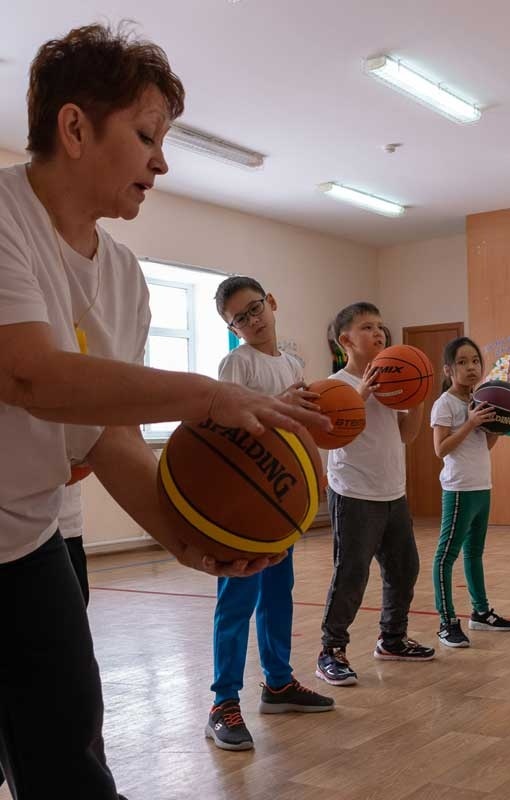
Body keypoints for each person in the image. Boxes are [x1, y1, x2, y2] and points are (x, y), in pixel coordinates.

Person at [0, 24, 327, 799]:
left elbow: (107, 437)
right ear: (74, 128)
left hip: (29, 540)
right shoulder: (3, 219)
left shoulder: (123, 278)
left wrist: (188, 541)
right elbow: (31, 377)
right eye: (146, 135)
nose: (161, 160)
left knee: (70, 765)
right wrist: (210, 394)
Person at [206, 276, 334, 752]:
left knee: (280, 594)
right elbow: (226, 430)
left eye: (256, 308)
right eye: (239, 318)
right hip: (242, 503)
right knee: (237, 601)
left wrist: (316, 474)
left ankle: (278, 684)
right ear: (231, 326)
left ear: (272, 303)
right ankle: (222, 702)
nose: (252, 321)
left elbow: (298, 429)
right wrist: (277, 405)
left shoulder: (294, 364)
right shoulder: (235, 364)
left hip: (282, 502)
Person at [316, 302, 434, 686]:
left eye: (381, 327)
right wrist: (362, 395)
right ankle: (331, 651)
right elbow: (334, 434)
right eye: (368, 327)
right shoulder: (335, 386)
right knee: (351, 574)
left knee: (404, 570)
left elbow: (407, 435)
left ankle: (392, 639)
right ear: (346, 340)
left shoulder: (395, 382)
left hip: (392, 491)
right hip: (353, 492)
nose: (379, 333)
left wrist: (416, 399)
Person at [430, 336, 510, 647]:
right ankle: (446, 620)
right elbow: (440, 449)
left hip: (482, 486)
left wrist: (497, 426)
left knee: (475, 553)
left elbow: (487, 444)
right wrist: (469, 423)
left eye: (476, 361)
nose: (471, 367)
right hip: (459, 489)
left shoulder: (480, 400)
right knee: (445, 556)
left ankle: (480, 612)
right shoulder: (445, 404)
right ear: (449, 370)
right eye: (463, 362)